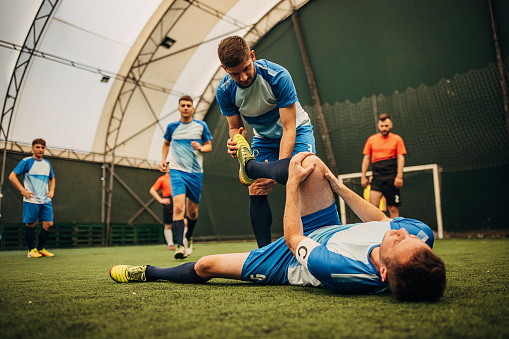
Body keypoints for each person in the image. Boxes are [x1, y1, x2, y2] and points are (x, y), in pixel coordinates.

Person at [111, 137, 446, 302]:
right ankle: (253, 168)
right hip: (329, 226)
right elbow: (382, 224)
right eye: (410, 239)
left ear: (384, 272)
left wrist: (291, 186)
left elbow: (293, 239)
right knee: (309, 160)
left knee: (206, 266)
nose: (402, 234)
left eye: (399, 243)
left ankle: (150, 272)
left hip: (290, 259)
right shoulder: (419, 235)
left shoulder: (344, 271)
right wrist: (339, 188)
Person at [215, 35, 316, 248]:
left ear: (252, 56)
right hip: (264, 138)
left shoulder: (278, 76)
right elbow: (235, 127)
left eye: (246, 69)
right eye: (234, 73)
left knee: (303, 176)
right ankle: (263, 253)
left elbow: (289, 129)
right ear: (225, 70)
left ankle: (312, 243)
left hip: (297, 130)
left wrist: (278, 170)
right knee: (255, 187)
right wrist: (236, 143)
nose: (242, 78)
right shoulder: (224, 91)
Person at [160, 95, 212, 259]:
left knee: (192, 212)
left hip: (196, 173)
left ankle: (188, 236)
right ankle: (180, 246)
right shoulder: (172, 127)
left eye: (189, 105)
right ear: (179, 108)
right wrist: (163, 161)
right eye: (183, 105)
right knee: (178, 208)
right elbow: (166, 144)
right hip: (176, 172)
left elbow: (209, 146)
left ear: (192, 108)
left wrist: (200, 147)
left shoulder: (201, 126)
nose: (186, 108)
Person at [9, 138, 56, 258]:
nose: (40, 150)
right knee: (31, 225)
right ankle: (31, 250)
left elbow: (52, 178)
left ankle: (40, 249)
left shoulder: (47, 164)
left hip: (45, 200)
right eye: (38, 147)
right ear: (32, 148)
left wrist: (51, 190)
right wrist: (22, 190)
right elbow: (12, 176)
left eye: (42, 147)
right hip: (32, 199)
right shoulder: (26, 162)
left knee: (48, 224)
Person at [361, 113, 407, 218]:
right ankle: (377, 234)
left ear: (391, 125)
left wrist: (399, 176)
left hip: (391, 178)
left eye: (386, 126)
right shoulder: (371, 140)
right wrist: (363, 176)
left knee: (393, 209)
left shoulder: (397, 139)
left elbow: (400, 157)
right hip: (376, 178)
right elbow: (366, 158)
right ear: (378, 126)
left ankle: (395, 232)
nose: (384, 128)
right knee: (373, 209)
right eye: (382, 126)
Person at [150, 167, 175, 250]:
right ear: (166, 168)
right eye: (169, 167)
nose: (171, 168)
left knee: (185, 222)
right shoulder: (162, 179)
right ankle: (170, 244)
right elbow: (152, 190)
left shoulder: (178, 177)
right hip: (168, 202)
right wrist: (160, 200)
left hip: (178, 200)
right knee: (168, 224)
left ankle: (185, 243)